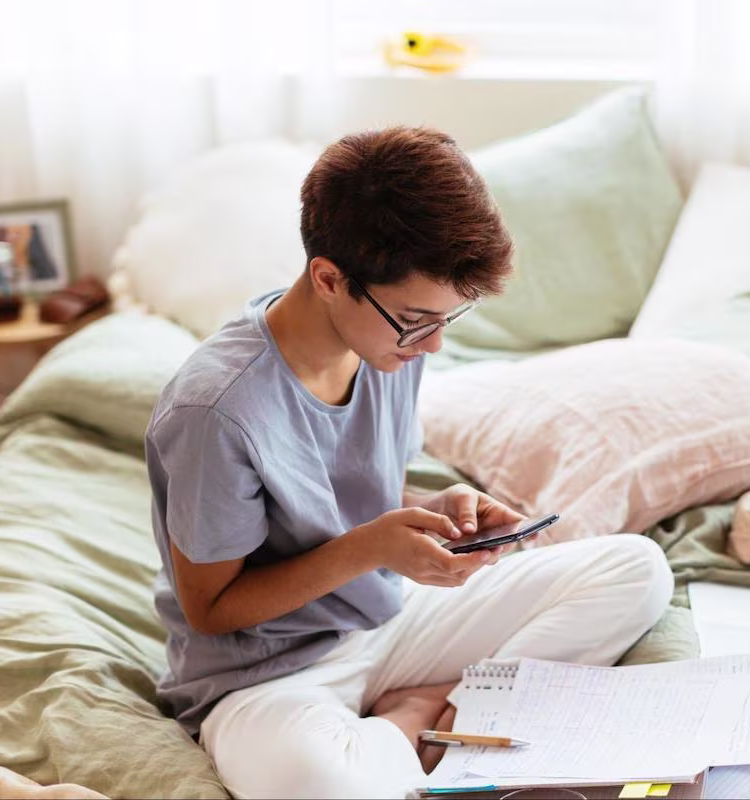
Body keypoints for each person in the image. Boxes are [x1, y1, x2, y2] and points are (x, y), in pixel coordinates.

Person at [145, 126, 674, 799]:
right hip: (264, 673)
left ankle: (440, 704)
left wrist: (432, 512)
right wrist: (371, 548)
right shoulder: (215, 411)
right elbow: (213, 609)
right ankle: (414, 720)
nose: (434, 344)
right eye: (417, 320)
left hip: (386, 617)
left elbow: (352, 501)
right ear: (330, 279)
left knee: (637, 569)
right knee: (317, 784)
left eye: (449, 319)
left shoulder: (385, 347)